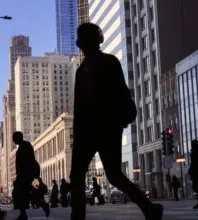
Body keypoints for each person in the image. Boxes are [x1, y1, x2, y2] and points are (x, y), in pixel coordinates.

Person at [70, 22, 163, 220]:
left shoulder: (93, 67)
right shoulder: (95, 66)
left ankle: (149, 208)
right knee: (109, 175)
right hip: (100, 130)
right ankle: (148, 208)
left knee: (100, 175)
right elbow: (83, 107)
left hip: (101, 129)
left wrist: (79, 135)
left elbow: (117, 94)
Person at [13, 131, 50, 220]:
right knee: (29, 193)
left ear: (19, 137)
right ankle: (42, 205)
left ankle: (26, 213)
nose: (13, 140)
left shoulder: (24, 146)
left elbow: (25, 163)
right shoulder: (23, 146)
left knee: (21, 193)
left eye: (14, 138)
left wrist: (20, 177)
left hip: (28, 175)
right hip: (31, 174)